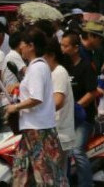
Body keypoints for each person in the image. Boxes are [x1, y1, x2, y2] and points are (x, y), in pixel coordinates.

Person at [3, 30, 67, 187]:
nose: (21, 49)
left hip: (39, 129)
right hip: (32, 128)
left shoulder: (38, 67)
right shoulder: (36, 67)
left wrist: (15, 107)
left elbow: (36, 98)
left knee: (46, 174)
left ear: (31, 46)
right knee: (20, 169)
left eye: (23, 45)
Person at [62, 31, 98, 187]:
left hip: (84, 119)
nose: (62, 49)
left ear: (76, 48)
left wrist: (76, 107)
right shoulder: (63, 67)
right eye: (61, 45)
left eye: (66, 46)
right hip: (66, 119)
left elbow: (92, 92)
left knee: (77, 151)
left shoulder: (86, 66)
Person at [43, 40, 76, 168]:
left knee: (56, 175)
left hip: (58, 133)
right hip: (53, 132)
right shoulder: (51, 73)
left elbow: (57, 102)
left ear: (51, 55)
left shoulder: (59, 72)